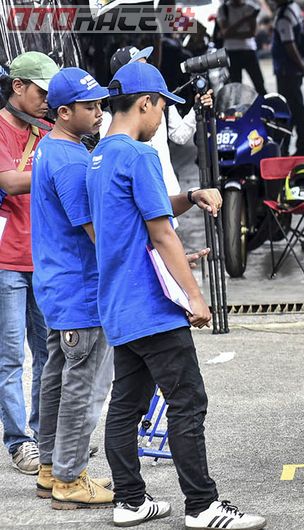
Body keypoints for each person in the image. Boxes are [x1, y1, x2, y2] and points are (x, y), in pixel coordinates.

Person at [89, 61, 265, 529]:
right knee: (187, 401)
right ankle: (203, 506)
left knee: (125, 405)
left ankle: (129, 500)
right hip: (152, 305)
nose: (163, 116)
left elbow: (149, 209)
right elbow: (162, 233)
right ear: (146, 102)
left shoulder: (99, 159)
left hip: (119, 304)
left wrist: (190, 194)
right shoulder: (140, 155)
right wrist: (195, 297)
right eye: (163, 106)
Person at [30, 67, 116, 509]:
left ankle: (51, 469)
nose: (99, 112)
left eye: (101, 104)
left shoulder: (50, 148)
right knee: (82, 385)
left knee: (57, 379)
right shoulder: (72, 160)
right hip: (80, 289)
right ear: (64, 113)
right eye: (90, 106)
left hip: (57, 286)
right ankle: (68, 479)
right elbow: (95, 230)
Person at [0, 51, 58, 477]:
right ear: (18, 86)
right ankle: (20, 442)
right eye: (41, 91)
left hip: (45, 259)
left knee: (48, 353)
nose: (47, 101)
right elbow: (8, 180)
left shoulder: (51, 130)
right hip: (5, 260)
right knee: (9, 357)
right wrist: (61, 168)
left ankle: (45, 438)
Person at [101, 47, 215, 201]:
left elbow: (179, 136)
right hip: (139, 200)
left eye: (146, 63)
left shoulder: (162, 98)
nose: (147, 69)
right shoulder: (109, 119)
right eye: (139, 66)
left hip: (169, 194)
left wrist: (197, 109)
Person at [272, 0, 304, 155]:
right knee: (293, 111)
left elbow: (289, 45)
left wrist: (302, 67)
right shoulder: (293, 8)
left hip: (286, 72)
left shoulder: (284, 16)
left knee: (291, 112)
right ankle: (288, 147)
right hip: (291, 71)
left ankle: (301, 149)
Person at [217, 0, 268, 96]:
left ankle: (264, 108)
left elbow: (252, 33)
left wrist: (231, 34)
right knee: (236, 87)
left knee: (259, 84)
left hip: (249, 50)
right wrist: (245, 20)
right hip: (231, 52)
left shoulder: (251, 8)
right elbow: (225, 33)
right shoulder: (223, 9)